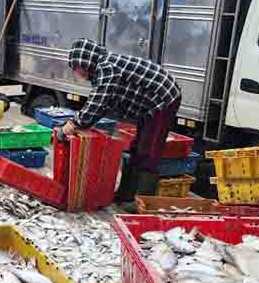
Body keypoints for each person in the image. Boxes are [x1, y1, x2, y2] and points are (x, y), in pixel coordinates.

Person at [62, 38, 182, 202]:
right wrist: (83, 123)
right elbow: (103, 105)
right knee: (136, 149)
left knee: (149, 151)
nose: (77, 73)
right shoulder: (102, 68)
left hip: (163, 98)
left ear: (85, 62)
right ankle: (125, 195)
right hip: (149, 104)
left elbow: (98, 102)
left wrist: (75, 123)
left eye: (76, 68)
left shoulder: (107, 68)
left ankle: (143, 202)